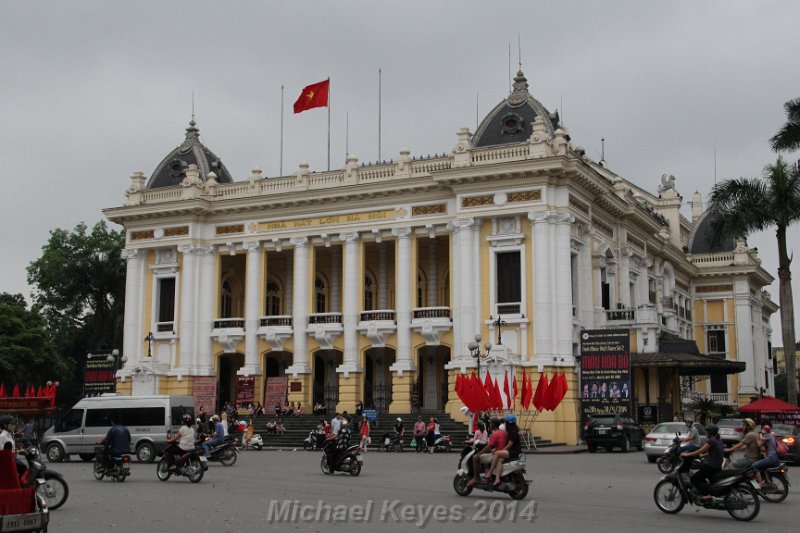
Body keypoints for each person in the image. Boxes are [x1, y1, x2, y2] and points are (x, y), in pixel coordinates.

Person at [681, 424, 725, 501]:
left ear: (710, 432)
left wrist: (687, 454)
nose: (705, 433)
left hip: (711, 467)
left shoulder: (711, 441)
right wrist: (702, 455)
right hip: (717, 466)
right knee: (702, 477)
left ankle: (707, 494)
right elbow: (712, 452)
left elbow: (700, 450)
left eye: (706, 431)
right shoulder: (718, 440)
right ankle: (707, 492)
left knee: (694, 479)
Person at [467, 418, 506, 487]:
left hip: (497, 454)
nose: (489, 425)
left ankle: (476, 478)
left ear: (493, 425)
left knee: (475, 457)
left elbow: (488, 446)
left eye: (490, 423)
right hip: (501, 452)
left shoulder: (495, 433)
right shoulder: (503, 432)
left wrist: (479, 453)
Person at [490, 415, 521, 485]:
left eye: (505, 422)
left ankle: (490, 472)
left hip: (513, 451)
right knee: (499, 460)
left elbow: (510, 444)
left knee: (496, 453)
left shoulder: (513, 432)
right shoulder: (511, 431)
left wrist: (502, 450)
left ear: (508, 423)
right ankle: (497, 478)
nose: (505, 424)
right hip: (512, 451)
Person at [752, 423, 780, 488]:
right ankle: (764, 480)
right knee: (761, 467)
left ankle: (761, 483)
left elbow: (759, 444)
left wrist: (759, 435)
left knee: (754, 466)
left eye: (763, 429)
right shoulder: (771, 435)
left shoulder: (767, 436)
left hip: (771, 458)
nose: (762, 430)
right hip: (774, 457)